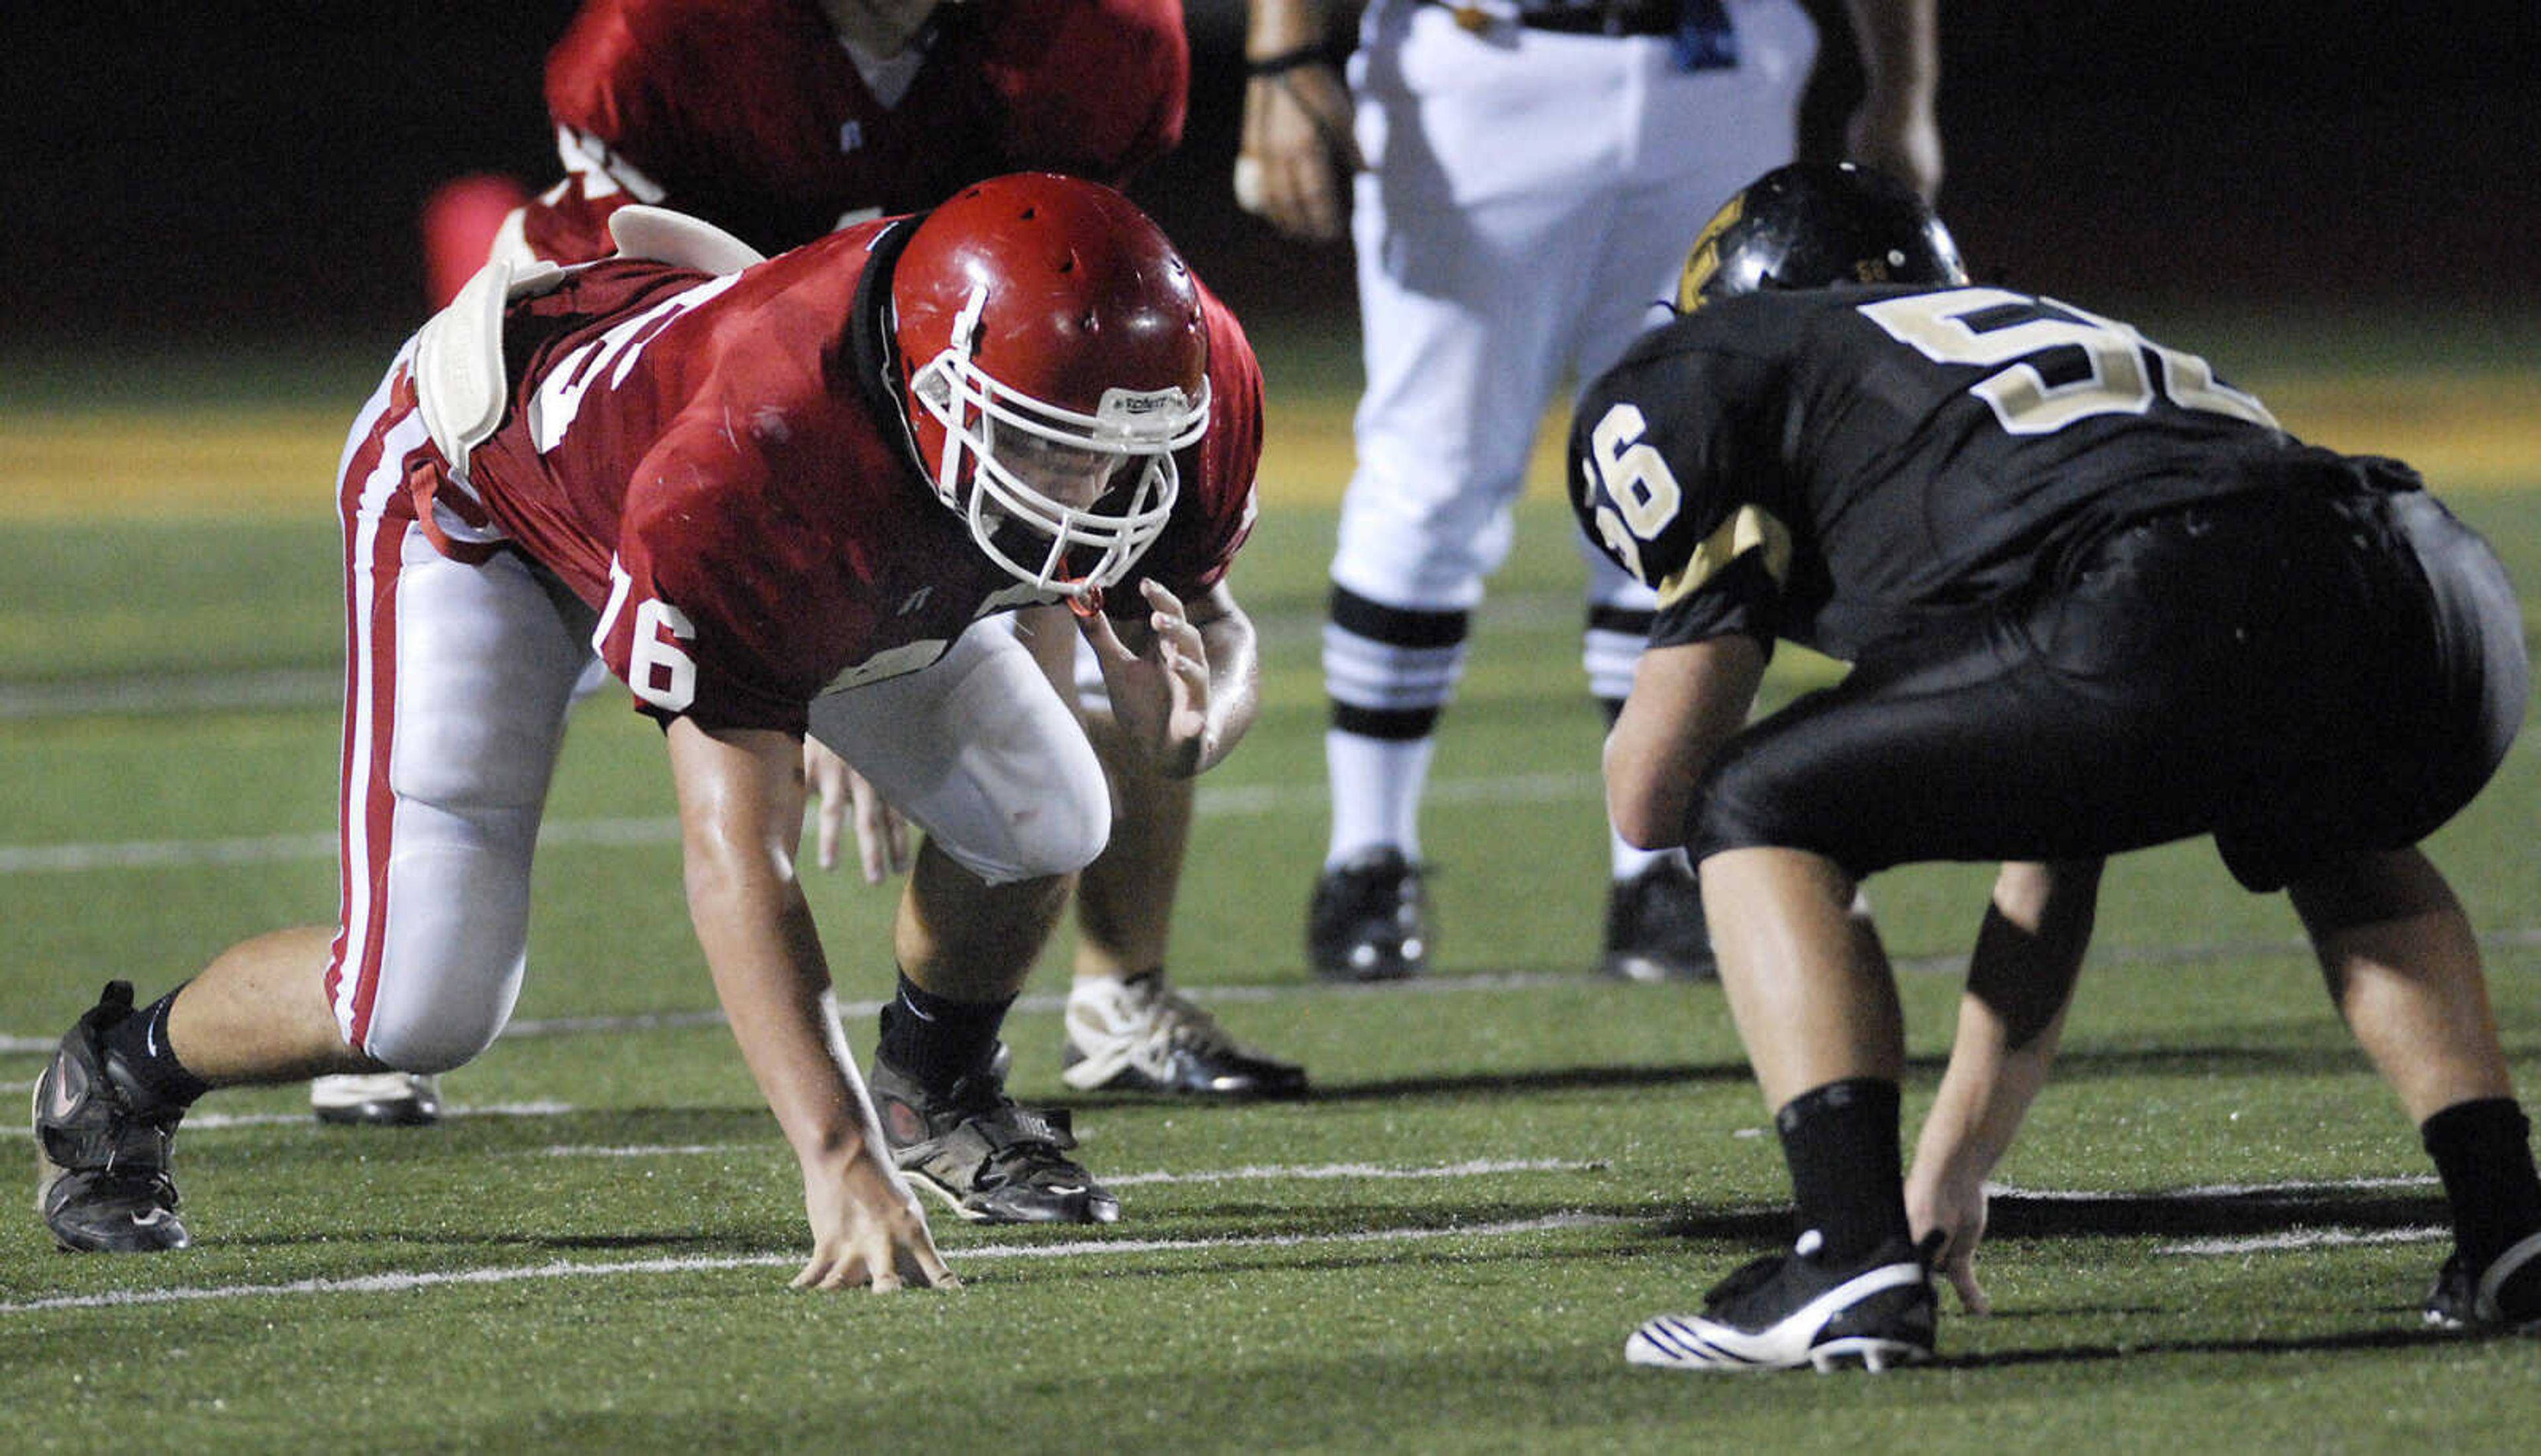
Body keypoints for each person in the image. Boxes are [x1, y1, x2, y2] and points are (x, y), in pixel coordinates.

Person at [34, 173, 1265, 1261]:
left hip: (819, 503)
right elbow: (739, 853)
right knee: (421, 1001)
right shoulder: (760, 459)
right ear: (944, 391)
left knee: (1050, 812)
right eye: (1046, 452)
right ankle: (122, 1073)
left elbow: (1219, 629)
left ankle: (935, 1091)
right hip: (487, 498)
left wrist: (1196, 728)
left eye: (1114, 458)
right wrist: (833, 1161)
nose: (1091, 493)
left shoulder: (1171, 373)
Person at [1576, 161, 2540, 1371]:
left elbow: (1651, 793)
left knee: (1751, 799)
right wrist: (1955, 1168)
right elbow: (2057, 840)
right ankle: (2513, 1226)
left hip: (2165, 593)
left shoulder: (1726, 358)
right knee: (2319, 814)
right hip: (2435, 595)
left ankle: (1842, 1258)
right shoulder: (2032, 350)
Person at [332, 0, 1302, 1133]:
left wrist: (1172, 718)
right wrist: (834, 621)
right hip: (647, 399)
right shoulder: (662, 40)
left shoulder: (1106, 54)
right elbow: (693, 337)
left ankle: (1101, 1002)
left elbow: (1065, 342)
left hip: (938, 401)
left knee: (1051, 769)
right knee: (444, 915)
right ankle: (380, 974)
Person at [1233, 0, 1939, 984]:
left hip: (1722, 62)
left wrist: (1904, 90)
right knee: (1433, 474)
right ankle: (1368, 852)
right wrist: (1282, 52)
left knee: (1695, 463)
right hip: (1486, 63)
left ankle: (1656, 868)